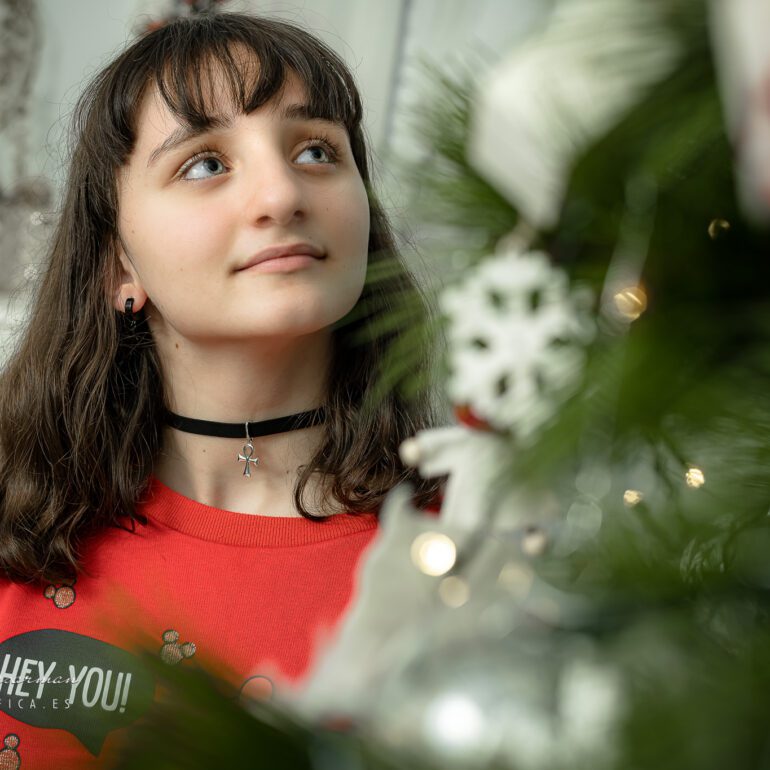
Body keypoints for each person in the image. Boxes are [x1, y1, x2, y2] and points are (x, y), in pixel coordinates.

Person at [0, 11, 440, 767]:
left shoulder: (472, 551)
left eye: (316, 150)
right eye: (204, 164)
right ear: (117, 265)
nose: (282, 194)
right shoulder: (17, 541)